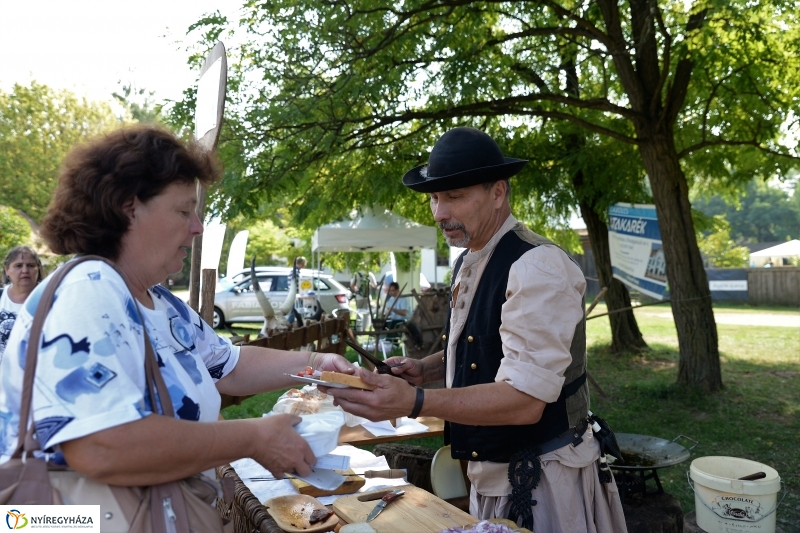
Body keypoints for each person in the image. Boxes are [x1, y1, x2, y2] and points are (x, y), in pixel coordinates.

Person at [0, 125, 355, 489]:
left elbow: (227, 365)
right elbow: (100, 447)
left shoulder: (159, 300)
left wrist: (316, 364)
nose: (197, 227)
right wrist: (252, 438)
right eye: (185, 211)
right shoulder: (87, 292)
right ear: (129, 208)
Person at [323, 127, 626, 532]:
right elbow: (488, 343)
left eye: (454, 196)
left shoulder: (537, 266)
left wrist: (414, 401)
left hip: (545, 482)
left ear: (497, 193)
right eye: (434, 198)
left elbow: (525, 400)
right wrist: (428, 368)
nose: (438, 213)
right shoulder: (472, 258)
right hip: (495, 474)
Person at [0, 246, 45, 359]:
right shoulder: (1, 297)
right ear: (7, 270)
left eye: (30, 265)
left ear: (38, 269)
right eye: (18, 266)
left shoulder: (50, 298)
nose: (25, 270)